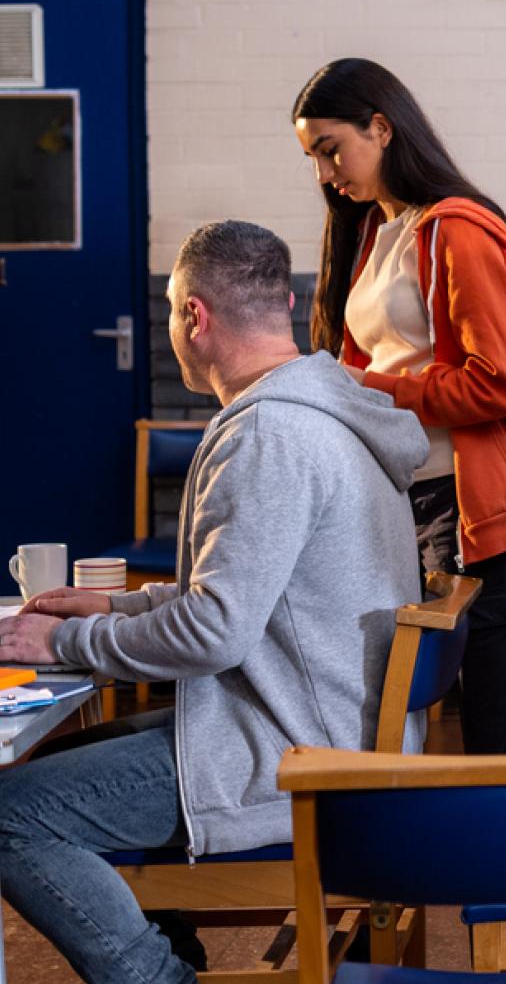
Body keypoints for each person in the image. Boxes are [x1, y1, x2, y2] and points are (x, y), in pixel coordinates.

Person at [0, 221, 424, 984]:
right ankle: (179, 950)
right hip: (322, 724)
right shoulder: (328, 409)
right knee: (65, 760)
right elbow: (243, 597)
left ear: (193, 316)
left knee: (9, 814)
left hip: (294, 757)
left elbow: (215, 634)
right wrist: (111, 613)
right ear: (283, 301)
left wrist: (57, 646)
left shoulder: (269, 435)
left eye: (170, 313)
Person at [293, 58, 506, 755]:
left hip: (470, 507)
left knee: (501, 727)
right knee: (402, 708)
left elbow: (504, 382)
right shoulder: (377, 234)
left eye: (330, 150)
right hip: (405, 502)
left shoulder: (456, 229)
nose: (325, 174)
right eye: (312, 159)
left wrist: (368, 391)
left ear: (380, 127)